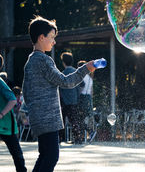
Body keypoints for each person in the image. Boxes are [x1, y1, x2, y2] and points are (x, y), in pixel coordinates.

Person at [22, 16, 96, 172]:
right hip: (47, 118)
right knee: (51, 157)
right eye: (52, 38)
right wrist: (86, 68)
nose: (54, 42)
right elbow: (66, 82)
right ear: (41, 38)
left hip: (38, 118)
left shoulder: (30, 61)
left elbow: (26, 92)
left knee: (45, 156)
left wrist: (34, 111)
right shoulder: (43, 60)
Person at [0, 54, 27, 172]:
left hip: (6, 126)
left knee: (17, 157)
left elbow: (12, 100)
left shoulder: (0, 82)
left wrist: (1, 114)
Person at [59, 52, 82, 144]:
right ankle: (78, 138)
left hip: (64, 101)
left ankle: (60, 138)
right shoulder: (76, 72)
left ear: (63, 62)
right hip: (74, 100)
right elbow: (81, 85)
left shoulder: (63, 73)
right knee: (74, 120)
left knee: (61, 120)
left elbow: (59, 88)